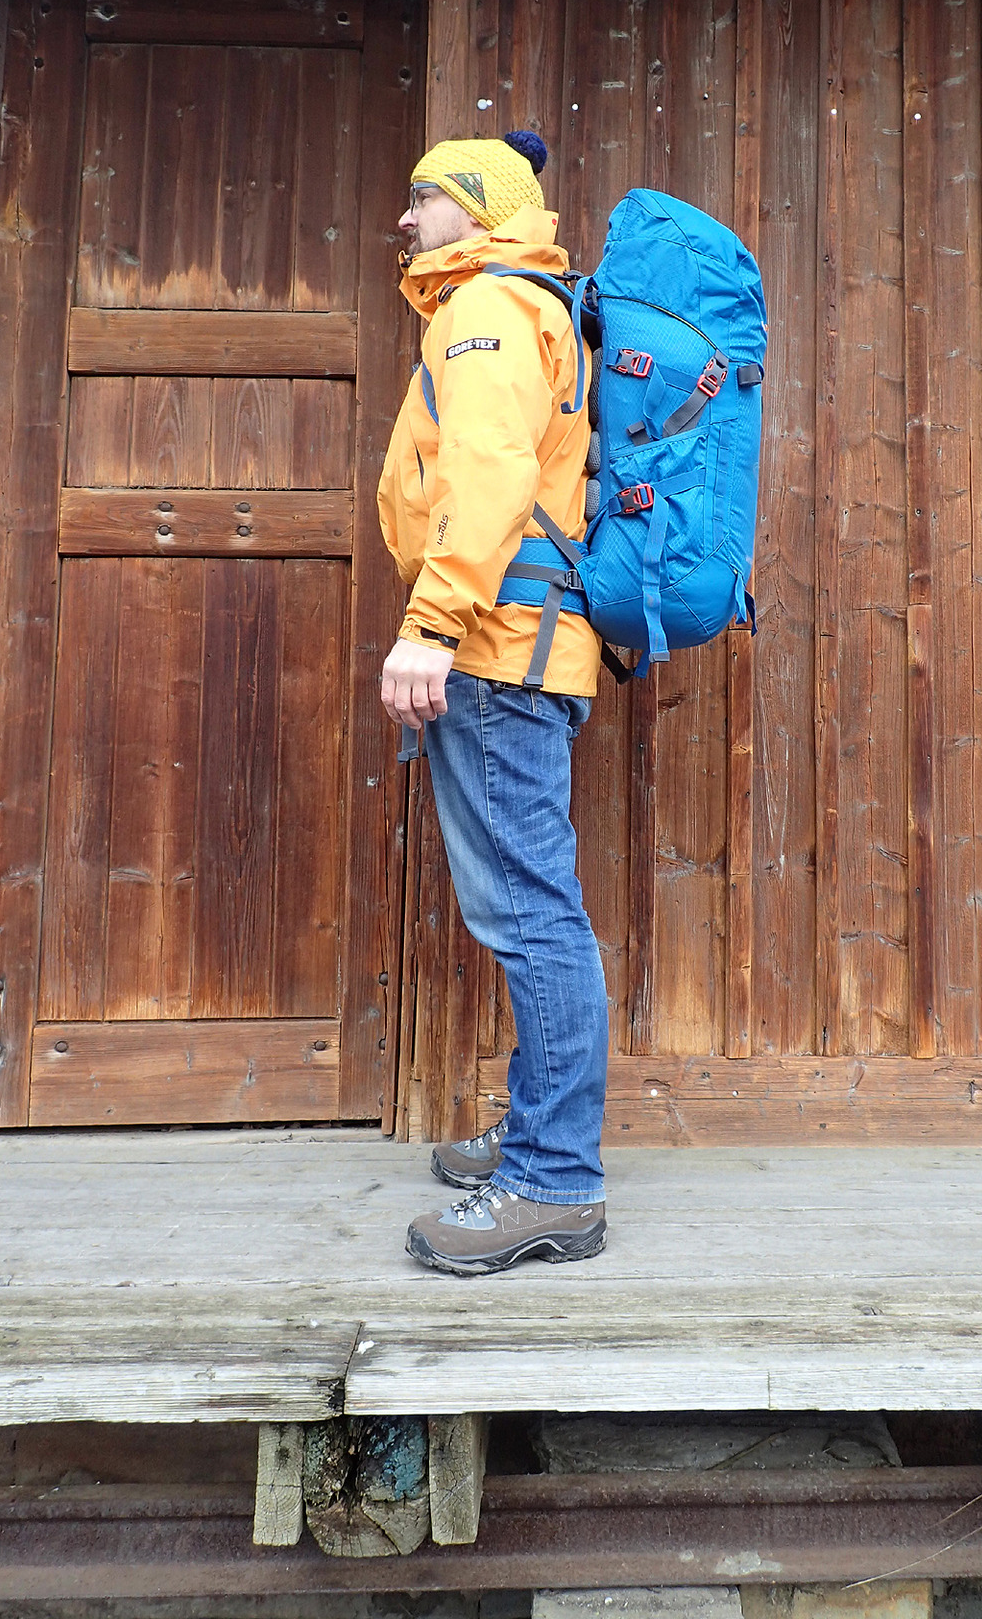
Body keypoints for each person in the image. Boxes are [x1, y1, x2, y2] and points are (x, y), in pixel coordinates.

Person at [377, 130, 609, 1275]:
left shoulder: (483, 312)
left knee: (529, 912)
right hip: (517, 646)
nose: (406, 220)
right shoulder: (521, 305)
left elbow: (486, 477)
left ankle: (554, 1182)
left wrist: (430, 626)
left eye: (423, 199)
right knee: (525, 906)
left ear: (476, 209)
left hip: (494, 649)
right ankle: (534, 1143)